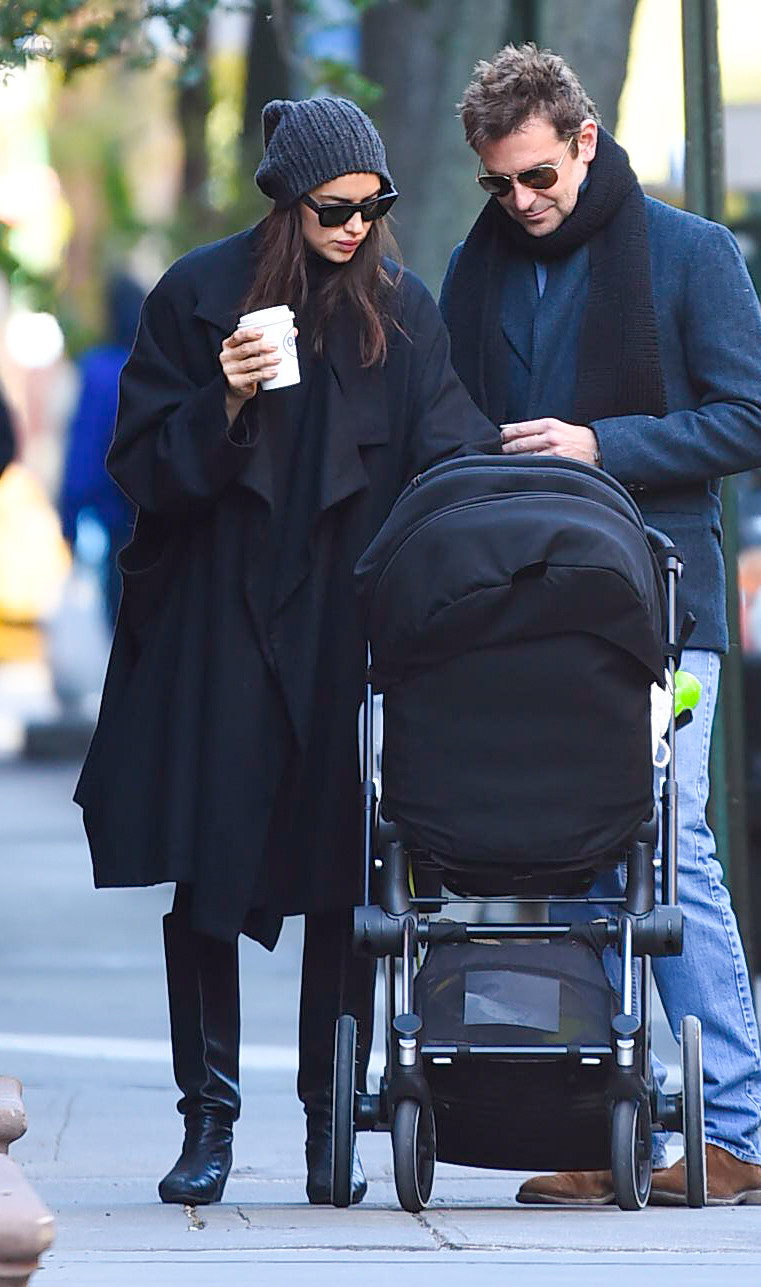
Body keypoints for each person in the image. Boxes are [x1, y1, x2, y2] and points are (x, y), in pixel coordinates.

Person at [74, 96, 498, 1208]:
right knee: (209, 870)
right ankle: (208, 1122)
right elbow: (140, 471)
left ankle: (328, 1124)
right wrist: (227, 390)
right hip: (219, 627)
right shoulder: (200, 295)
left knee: (341, 875)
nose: (356, 227)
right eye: (333, 209)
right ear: (285, 201)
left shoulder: (399, 318)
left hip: (342, 627)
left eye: (372, 207)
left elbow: (448, 454)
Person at [440, 44, 761, 1207]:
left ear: (585, 140)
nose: (521, 205)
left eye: (538, 177)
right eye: (500, 186)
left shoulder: (690, 253)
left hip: (663, 606)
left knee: (672, 847)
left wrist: (602, 445)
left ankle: (728, 1134)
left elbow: (752, 420)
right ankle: (603, 1124)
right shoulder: (475, 270)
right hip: (530, 610)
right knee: (573, 856)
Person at [59, 274, 145, 625]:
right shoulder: (151, 362)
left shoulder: (98, 369)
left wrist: (68, 519)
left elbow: (84, 453)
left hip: (115, 520)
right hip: (158, 514)